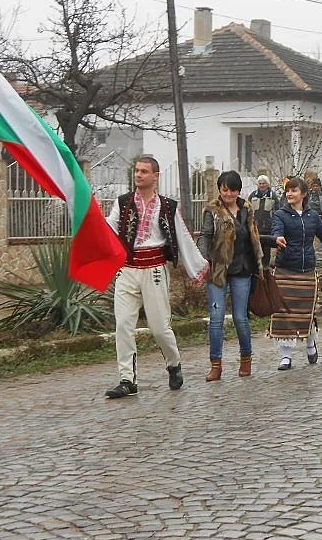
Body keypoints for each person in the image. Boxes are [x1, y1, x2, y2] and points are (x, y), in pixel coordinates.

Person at [104, 156, 209, 399]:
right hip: (128, 270)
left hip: (154, 271)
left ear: (156, 176)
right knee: (123, 325)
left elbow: (182, 237)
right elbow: (109, 227)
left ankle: (173, 364)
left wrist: (198, 267)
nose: (138, 175)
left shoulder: (168, 206)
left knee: (160, 328)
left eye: (144, 171)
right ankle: (127, 379)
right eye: (137, 171)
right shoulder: (122, 203)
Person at [269, 177, 322, 370]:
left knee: (307, 311)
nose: (289, 194)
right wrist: (277, 238)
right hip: (285, 269)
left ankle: (310, 342)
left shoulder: (313, 216)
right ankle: (285, 356)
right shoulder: (280, 214)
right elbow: (276, 231)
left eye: (294, 190)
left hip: (307, 270)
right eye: (287, 190)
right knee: (283, 313)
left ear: (303, 194)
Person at [197, 171, 266, 380]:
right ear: (219, 189)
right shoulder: (212, 210)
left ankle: (246, 359)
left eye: (233, 189)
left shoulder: (246, 208)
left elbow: (254, 235)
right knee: (216, 318)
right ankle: (215, 364)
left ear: (239, 190)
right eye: (224, 189)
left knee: (240, 317)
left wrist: (272, 242)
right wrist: (202, 260)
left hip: (242, 269)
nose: (228, 193)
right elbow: (205, 236)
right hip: (218, 269)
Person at [248, 174, 277, 267]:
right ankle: (256, 266)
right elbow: (248, 209)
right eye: (260, 183)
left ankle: (265, 267)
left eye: (263, 183)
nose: (261, 185)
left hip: (267, 227)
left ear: (267, 184)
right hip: (255, 227)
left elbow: (277, 211)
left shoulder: (273, 196)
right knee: (255, 248)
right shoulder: (253, 196)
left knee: (266, 250)